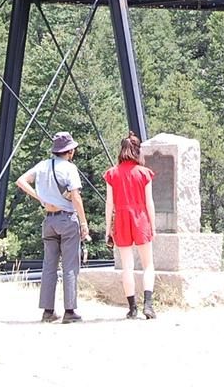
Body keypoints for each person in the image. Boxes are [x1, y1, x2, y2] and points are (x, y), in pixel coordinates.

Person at [15, 131, 91, 323]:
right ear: (69, 151)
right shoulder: (69, 168)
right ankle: (70, 311)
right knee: (70, 267)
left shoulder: (42, 166)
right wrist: (83, 223)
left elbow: (21, 181)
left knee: (49, 266)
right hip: (66, 219)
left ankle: (48, 311)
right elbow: (76, 196)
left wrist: (40, 197)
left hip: (48, 220)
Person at [103, 133, 157, 319]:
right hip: (140, 218)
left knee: (127, 266)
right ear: (137, 151)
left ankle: (132, 307)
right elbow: (149, 202)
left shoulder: (112, 173)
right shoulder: (144, 173)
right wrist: (153, 225)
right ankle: (148, 305)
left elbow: (109, 203)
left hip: (121, 219)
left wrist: (107, 228)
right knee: (148, 264)